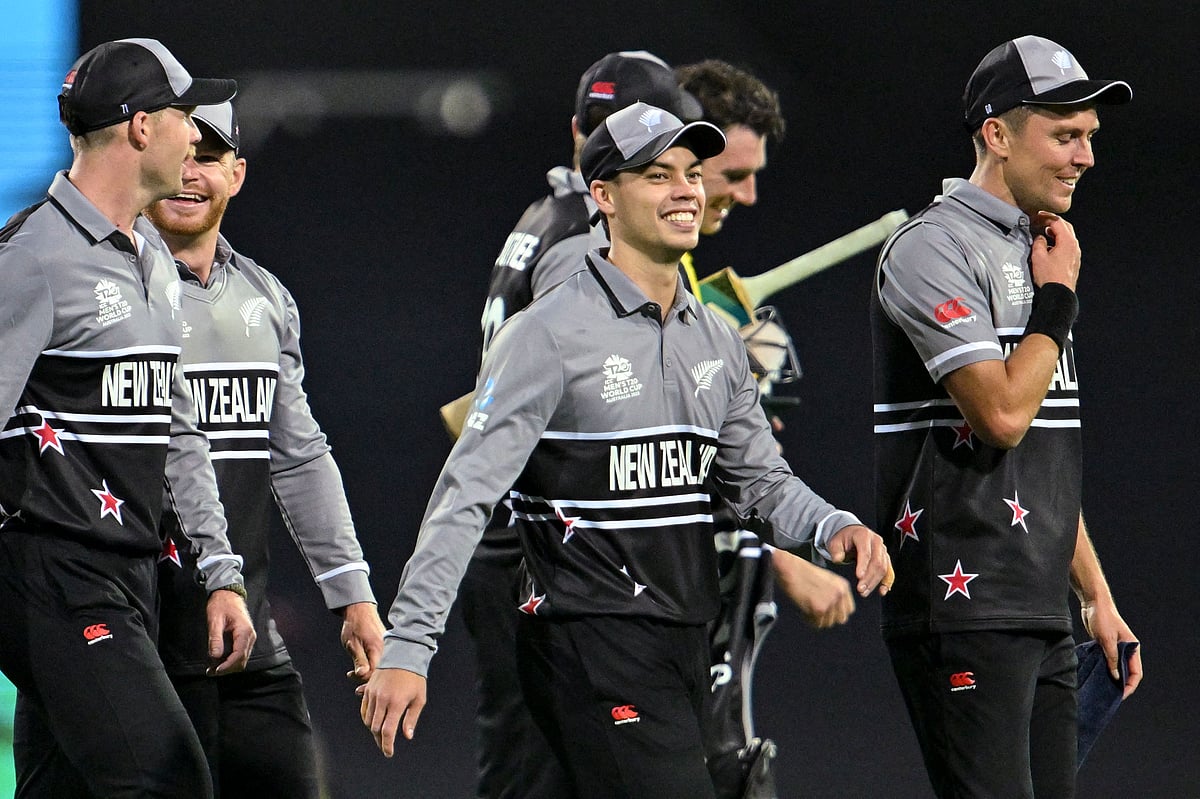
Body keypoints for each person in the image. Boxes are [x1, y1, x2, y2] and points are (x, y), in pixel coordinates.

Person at [362, 101, 891, 799]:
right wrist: (408, 644)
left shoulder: (716, 340)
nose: (685, 190)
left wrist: (832, 526)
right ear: (603, 197)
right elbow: (465, 495)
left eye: (693, 173)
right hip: (587, 642)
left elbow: (759, 481)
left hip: (683, 641)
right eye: (656, 174)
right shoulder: (546, 334)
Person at [871, 35, 1142, 798]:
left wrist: (1094, 595)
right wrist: (1056, 300)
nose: (1085, 157)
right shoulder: (932, 247)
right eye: (1065, 135)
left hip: (1039, 601)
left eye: (1089, 137)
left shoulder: (1040, 249)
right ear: (996, 134)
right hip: (965, 601)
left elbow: (1043, 447)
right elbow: (1001, 415)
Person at [0, 38, 254, 798]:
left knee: (63, 787)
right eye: (184, 116)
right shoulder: (30, 257)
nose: (194, 134)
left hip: (129, 575)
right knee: (167, 778)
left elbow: (177, 435)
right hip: (54, 575)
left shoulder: (148, 259)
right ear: (142, 127)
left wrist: (221, 573)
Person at [461, 49, 703, 799]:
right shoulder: (583, 242)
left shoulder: (541, 218)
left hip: (513, 546)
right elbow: (600, 403)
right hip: (552, 557)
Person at [142, 101, 386, 799]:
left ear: (238, 174)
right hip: (135, 635)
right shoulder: (104, 291)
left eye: (210, 158)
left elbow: (300, 455)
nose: (191, 175)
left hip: (244, 631)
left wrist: (353, 596)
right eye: (180, 153)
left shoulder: (265, 299)